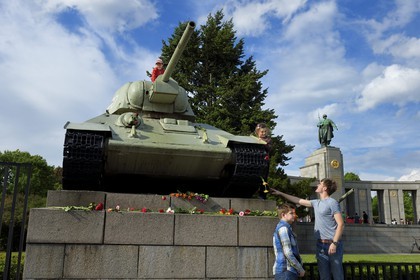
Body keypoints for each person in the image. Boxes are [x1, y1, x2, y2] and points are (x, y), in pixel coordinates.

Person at [271, 178, 345, 280]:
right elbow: (298, 200)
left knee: (338, 276)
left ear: (325, 188)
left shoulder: (332, 203)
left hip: (332, 244)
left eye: (320, 184)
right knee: (324, 277)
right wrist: (280, 193)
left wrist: (335, 243)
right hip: (320, 245)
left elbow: (340, 224)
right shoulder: (316, 202)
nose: (317, 185)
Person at [273, 203, 305, 279]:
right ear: (283, 215)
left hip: (286, 271)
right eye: (291, 213)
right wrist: (300, 268)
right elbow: (288, 253)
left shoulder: (286, 228)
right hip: (286, 271)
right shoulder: (283, 229)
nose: (294, 215)